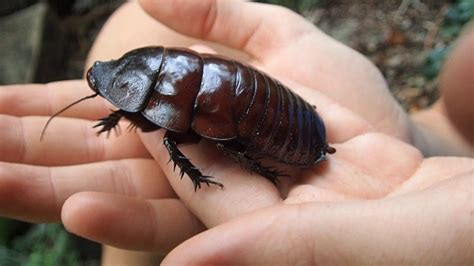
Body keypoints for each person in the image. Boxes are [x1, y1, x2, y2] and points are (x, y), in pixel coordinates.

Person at [0, 0, 471, 265]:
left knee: (172, 138)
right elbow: (146, 109)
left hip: (287, 127)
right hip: (275, 105)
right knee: (134, 37)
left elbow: (157, 122)